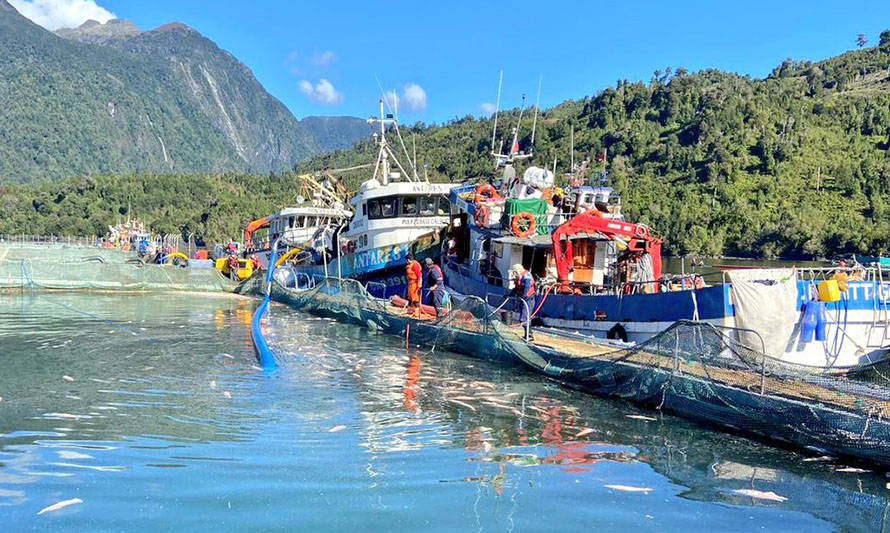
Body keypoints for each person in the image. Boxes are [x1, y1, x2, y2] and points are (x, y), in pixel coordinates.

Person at [511, 263, 536, 338]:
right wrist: (510, 294)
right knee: (524, 317)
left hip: (528, 299)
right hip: (523, 299)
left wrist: (524, 295)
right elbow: (516, 288)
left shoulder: (526, 276)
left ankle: (529, 335)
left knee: (524, 318)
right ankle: (528, 334)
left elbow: (527, 285)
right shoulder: (520, 277)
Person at [405, 252, 423, 316]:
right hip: (410, 284)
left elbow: (419, 275)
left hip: (414, 284)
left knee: (415, 298)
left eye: (407, 259)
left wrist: (419, 285)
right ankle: (410, 310)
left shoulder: (415, 265)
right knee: (410, 297)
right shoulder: (408, 265)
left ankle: (417, 313)